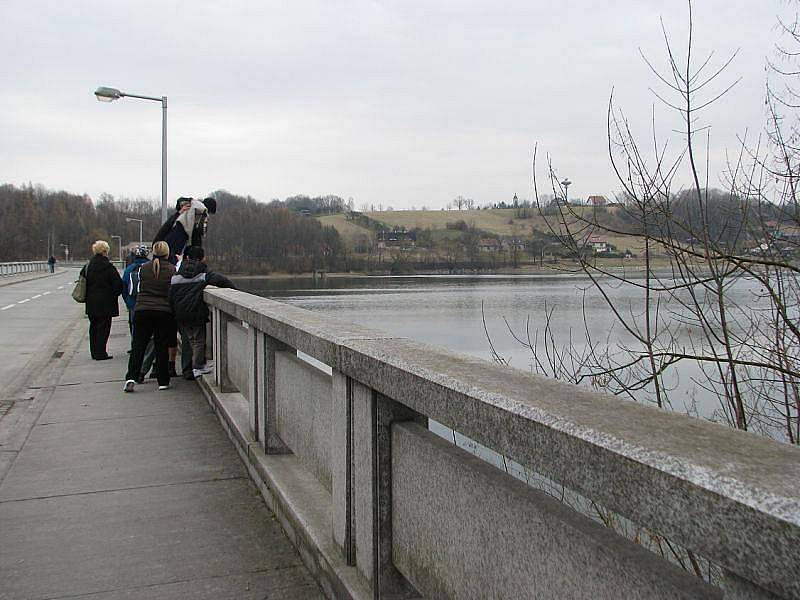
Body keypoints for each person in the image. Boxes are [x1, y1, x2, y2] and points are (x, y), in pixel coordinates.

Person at [169, 245, 236, 379]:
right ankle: (198, 366)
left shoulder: (177, 273)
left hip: (181, 312)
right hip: (196, 311)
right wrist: (235, 290)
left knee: (188, 339)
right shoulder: (203, 271)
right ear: (202, 258)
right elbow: (221, 280)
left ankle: (188, 368)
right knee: (199, 340)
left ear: (187, 257)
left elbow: (171, 295)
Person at [123, 241, 177, 392]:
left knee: (138, 346)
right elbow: (173, 291)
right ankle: (163, 380)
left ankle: (131, 377)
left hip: (142, 310)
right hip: (163, 311)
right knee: (161, 346)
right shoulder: (172, 269)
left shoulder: (143, 269)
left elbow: (139, 288)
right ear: (167, 253)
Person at [84, 240, 123, 360]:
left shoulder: (88, 266)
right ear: (105, 252)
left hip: (91, 302)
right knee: (103, 328)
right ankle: (101, 352)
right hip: (106, 302)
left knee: (93, 327)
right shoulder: (109, 267)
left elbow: (83, 282)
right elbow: (118, 285)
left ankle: (94, 352)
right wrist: (114, 294)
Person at [153, 197, 216, 264]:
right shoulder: (200, 215)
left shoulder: (188, 208)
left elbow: (165, 228)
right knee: (171, 261)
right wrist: (198, 258)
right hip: (176, 242)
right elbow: (197, 239)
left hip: (166, 241)